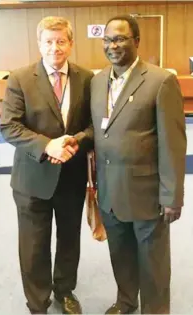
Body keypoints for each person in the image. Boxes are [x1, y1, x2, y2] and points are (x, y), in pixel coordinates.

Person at [90, 15, 186, 314]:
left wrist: (172, 196)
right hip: (109, 190)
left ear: (136, 41)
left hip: (146, 192)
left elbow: (173, 142)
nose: (112, 45)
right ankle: (127, 301)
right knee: (120, 253)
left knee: (152, 259)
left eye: (120, 39)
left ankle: (155, 310)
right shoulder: (97, 81)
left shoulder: (160, 80)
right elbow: (97, 131)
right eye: (107, 40)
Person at [0, 16, 93, 314]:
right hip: (32, 178)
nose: (55, 48)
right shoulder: (20, 78)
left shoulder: (88, 78)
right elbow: (10, 126)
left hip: (71, 174)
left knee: (69, 240)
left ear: (71, 43)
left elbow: (95, 126)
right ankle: (37, 302)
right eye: (49, 42)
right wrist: (47, 145)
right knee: (34, 245)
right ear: (39, 44)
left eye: (61, 41)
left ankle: (64, 291)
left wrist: (75, 140)